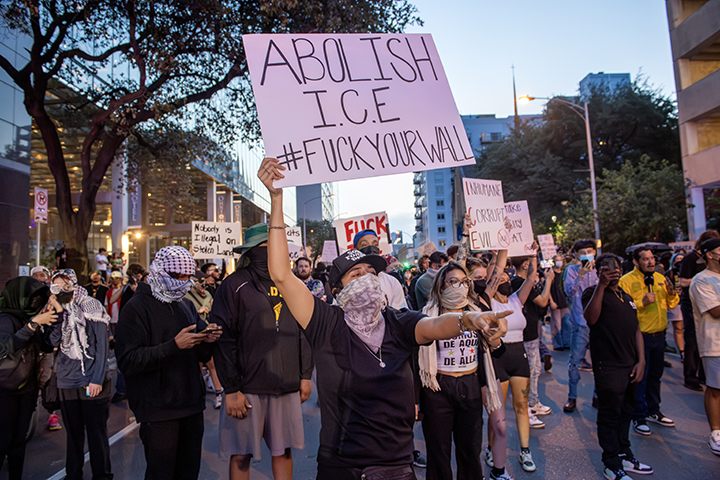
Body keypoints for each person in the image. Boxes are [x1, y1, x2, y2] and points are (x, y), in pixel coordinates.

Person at [259, 157, 510, 479]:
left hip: (395, 465)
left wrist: (467, 321)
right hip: (341, 464)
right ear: (336, 289)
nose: (367, 277)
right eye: (356, 274)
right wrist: (277, 200)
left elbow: (433, 326)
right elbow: (281, 274)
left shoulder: (397, 321)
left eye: (371, 272)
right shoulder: (325, 323)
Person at [210, 223, 313, 480]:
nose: (276, 251)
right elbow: (223, 339)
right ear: (254, 250)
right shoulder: (233, 285)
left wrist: (305, 375)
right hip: (247, 388)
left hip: (286, 384)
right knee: (241, 454)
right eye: (269, 246)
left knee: (283, 451)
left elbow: (305, 331)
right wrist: (231, 389)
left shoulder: (294, 285)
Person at [115, 246, 222, 480]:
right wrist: (173, 346)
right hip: (158, 409)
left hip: (191, 404)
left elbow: (202, 352)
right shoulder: (136, 307)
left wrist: (209, 338)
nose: (183, 283)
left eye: (187, 277)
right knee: (161, 473)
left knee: (188, 471)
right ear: (160, 271)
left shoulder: (185, 305)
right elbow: (128, 360)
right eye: (178, 277)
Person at [418, 261, 504, 480]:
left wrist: (496, 341)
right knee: (439, 453)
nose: (460, 286)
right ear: (441, 286)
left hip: (470, 386)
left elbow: (496, 352)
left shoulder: (477, 313)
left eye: (464, 282)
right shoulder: (426, 316)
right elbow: (414, 360)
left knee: (470, 451)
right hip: (437, 390)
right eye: (453, 281)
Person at [583, 254, 652, 480]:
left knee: (626, 413)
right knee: (610, 415)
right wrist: (601, 286)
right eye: (606, 268)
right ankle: (611, 463)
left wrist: (641, 361)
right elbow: (591, 319)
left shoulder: (627, 296)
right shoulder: (592, 293)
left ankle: (624, 454)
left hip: (631, 365)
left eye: (616, 268)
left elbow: (636, 329)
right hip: (609, 366)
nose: (613, 271)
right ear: (598, 271)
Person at [48, 270, 113, 480]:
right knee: (73, 433)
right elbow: (51, 342)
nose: (61, 290)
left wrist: (96, 378)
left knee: (96, 433)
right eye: (55, 287)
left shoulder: (90, 305)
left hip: (91, 378)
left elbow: (101, 345)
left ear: (74, 284)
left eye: (65, 285)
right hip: (67, 380)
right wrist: (57, 313)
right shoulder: (57, 310)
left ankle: (101, 475)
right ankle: (73, 474)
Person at [487, 252, 541, 473]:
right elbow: (494, 273)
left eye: (507, 279)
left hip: (519, 358)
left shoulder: (516, 300)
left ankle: (525, 451)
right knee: (496, 410)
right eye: (501, 279)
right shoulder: (487, 301)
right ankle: (491, 448)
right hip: (498, 358)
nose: (506, 281)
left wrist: (533, 254)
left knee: (522, 406)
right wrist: (497, 257)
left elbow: (530, 277)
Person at [0, 277, 58, 479]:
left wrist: (54, 313)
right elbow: (4, 349)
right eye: (31, 298)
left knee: (19, 441)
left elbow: (47, 346)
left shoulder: (28, 318)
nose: (35, 302)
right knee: (4, 439)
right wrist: (32, 325)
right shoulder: (5, 319)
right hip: (5, 390)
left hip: (27, 389)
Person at [619, 246, 679, 436]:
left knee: (655, 376)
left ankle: (654, 411)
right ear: (636, 262)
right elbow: (621, 309)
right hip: (640, 337)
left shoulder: (660, 279)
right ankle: (639, 416)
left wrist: (671, 293)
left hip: (659, 336)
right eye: (645, 259)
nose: (650, 262)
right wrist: (641, 303)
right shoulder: (626, 281)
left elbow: (672, 304)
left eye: (652, 258)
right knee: (640, 379)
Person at [510, 256, 555, 424]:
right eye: (533, 263)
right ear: (526, 264)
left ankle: (533, 402)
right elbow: (542, 301)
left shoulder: (520, 281)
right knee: (529, 372)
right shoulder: (518, 282)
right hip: (526, 333)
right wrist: (549, 280)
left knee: (535, 369)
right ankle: (528, 407)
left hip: (531, 332)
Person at [689, 238, 720, 456]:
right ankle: (716, 433)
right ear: (710, 254)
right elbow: (716, 311)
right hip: (714, 343)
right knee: (716, 389)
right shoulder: (701, 280)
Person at [679, 230, 720, 391]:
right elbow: (683, 282)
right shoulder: (692, 262)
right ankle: (690, 376)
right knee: (692, 341)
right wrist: (705, 282)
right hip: (693, 306)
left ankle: (703, 374)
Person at [563, 239, 599, 413]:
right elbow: (569, 292)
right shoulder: (571, 270)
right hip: (580, 323)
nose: (586, 255)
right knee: (575, 362)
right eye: (582, 252)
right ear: (577, 255)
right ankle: (572, 397)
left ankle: (597, 395)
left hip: (600, 323)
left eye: (589, 251)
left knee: (600, 362)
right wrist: (581, 276)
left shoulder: (601, 270)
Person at [185, 271, 223, 409]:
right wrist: (197, 311)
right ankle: (195, 392)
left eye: (200, 280)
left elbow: (213, 308)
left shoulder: (207, 295)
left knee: (211, 363)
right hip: (193, 333)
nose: (198, 283)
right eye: (195, 280)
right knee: (197, 365)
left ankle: (218, 394)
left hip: (206, 332)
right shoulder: (184, 296)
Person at [353, 229, 408, 310]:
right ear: (355, 251)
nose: (371, 247)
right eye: (365, 245)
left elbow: (401, 314)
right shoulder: (348, 282)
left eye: (375, 244)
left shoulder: (392, 282)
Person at [666, 252, 685, 360]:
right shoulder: (670, 273)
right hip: (675, 304)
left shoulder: (689, 272)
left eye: (682, 258)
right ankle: (682, 352)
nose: (679, 261)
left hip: (687, 302)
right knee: (678, 328)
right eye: (677, 259)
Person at [549, 255, 569, 350]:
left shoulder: (564, 273)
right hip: (555, 301)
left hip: (564, 302)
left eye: (560, 260)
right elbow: (548, 289)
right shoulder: (551, 273)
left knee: (566, 323)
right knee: (556, 324)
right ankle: (558, 344)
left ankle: (566, 343)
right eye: (557, 260)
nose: (559, 262)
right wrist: (551, 301)